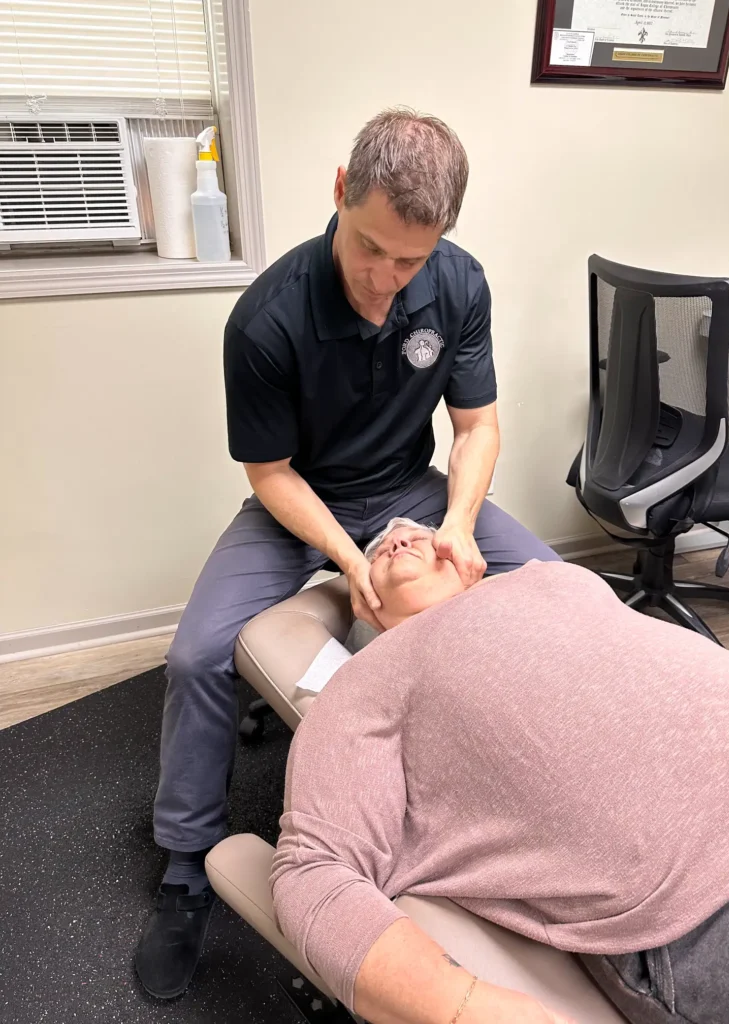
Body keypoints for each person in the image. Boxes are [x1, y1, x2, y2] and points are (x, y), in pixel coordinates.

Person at [134, 108, 559, 998]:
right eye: (371, 248)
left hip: (411, 488)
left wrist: (455, 522)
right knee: (198, 655)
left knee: (554, 586)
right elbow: (269, 473)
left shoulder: (457, 284)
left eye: (410, 260)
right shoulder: (266, 321)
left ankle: (534, 784)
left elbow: (477, 427)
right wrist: (347, 555)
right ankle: (182, 867)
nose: (387, 279)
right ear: (339, 192)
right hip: (305, 500)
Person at [270, 519, 729, 1024]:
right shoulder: (366, 680)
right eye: (378, 553)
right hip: (709, 886)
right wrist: (468, 1007)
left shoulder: (553, 578)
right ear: (364, 605)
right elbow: (313, 872)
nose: (397, 539)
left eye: (417, 533)